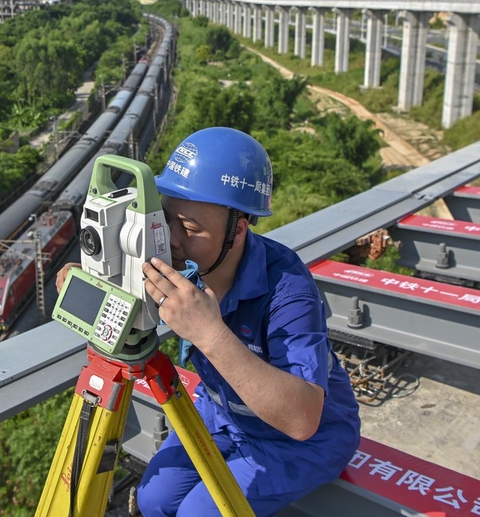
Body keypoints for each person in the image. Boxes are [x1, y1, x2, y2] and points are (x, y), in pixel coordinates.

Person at [134, 126, 361, 516]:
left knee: (197, 514)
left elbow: (302, 418)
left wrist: (209, 332)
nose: (171, 239)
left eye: (188, 229)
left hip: (300, 441)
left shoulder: (288, 291)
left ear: (237, 230)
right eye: (165, 219)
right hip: (224, 413)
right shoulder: (185, 262)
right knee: (153, 499)